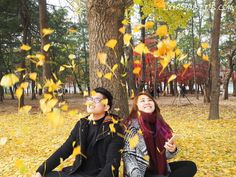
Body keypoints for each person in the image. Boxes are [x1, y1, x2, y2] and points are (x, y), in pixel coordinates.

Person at [35, 87, 124, 177]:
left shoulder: (115, 128)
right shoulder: (82, 124)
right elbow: (64, 150)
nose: (91, 102)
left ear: (106, 107)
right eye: (90, 99)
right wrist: (41, 170)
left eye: (96, 100)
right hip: (77, 173)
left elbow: (112, 164)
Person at [123, 92, 197, 177]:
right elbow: (128, 155)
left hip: (160, 169)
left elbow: (165, 155)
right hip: (142, 172)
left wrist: (172, 150)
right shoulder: (132, 126)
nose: (147, 102)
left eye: (150, 100)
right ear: (136, 106)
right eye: (142, 101)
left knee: (190, 166)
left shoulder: (160, 124)